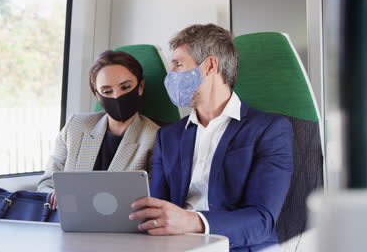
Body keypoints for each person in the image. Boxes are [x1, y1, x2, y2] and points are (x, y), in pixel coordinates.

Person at [129, 24, 293, 252]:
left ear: (210, 66)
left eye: (178, 64)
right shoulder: (168, 136)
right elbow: (158, 210)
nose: (171, 76)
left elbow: (261, 221)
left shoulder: (269, 130)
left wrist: (192, 221)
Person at [37, 50, 159, 210]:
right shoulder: (75, 126)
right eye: (107, 91)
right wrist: (55, 195)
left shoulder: (156, 137)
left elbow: (153, 198)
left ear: (140, 87)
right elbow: (46, 183)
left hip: (122, 227)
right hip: (68, 220)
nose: (117, 96)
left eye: (126, 87)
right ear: (97, 95)